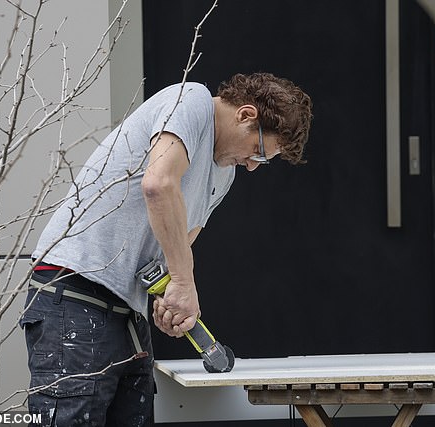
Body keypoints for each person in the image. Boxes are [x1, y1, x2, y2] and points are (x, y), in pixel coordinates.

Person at [21, 72, 312, 426]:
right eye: (259, 152)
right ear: (246, 114)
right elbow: (158, 184)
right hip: (76, 294)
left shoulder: (224, 174)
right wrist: (184, 283)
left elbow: (172, 247)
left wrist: (167, 298)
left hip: (127, 315)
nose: (252, 166)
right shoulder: (191, 101)